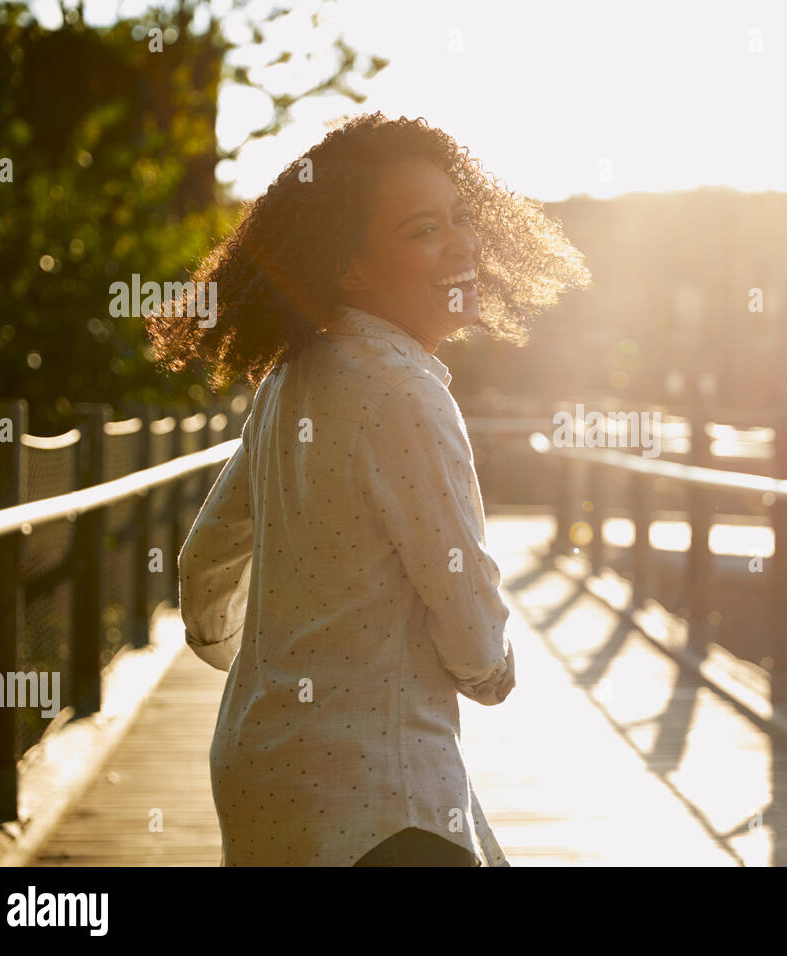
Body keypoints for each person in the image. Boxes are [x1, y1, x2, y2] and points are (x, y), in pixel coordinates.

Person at [150, 113, 590, 866]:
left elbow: (201, 569)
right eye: (424, 229)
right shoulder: (407, 392)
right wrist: (495, 672)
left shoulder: (289, 381)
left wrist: (270, 671)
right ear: (351, 267)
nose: (461, 244)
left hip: (260, 776)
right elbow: (473, 629)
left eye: (462, 218)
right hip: (381, 801)